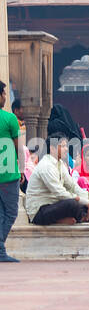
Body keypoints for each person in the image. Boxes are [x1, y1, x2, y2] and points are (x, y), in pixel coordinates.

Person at [27, 138, 89, 225]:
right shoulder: (46, 165)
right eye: (63, 146)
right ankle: (83, 218)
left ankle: (83, 217)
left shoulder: (60, 164)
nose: (66, 149)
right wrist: (87, 202)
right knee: (72, 204)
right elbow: (60, 193)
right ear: (52, 148)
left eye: (66, 146)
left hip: (54, 205)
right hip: (39, 212)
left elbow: (72, 186)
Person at [0, 80, 19, 262]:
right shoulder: (9, 118)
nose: (5, 97)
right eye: (4, 94)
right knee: (12, 212)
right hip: (7, 174)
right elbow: (17, 148)